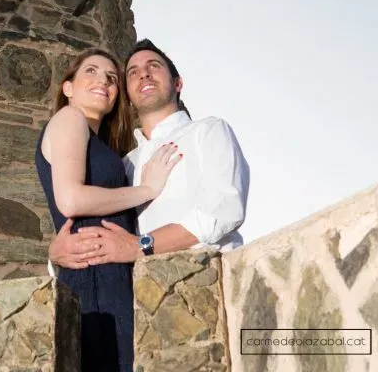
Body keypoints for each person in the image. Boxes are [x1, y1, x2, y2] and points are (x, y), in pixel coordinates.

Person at [35, 47, 182, 372]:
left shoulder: (101, 146)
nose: (103, 80)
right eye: (90, 71)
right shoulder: (69, 117)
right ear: (68, 87)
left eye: (111, 78)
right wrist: (145, 190)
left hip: (107, 275)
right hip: (96, 280)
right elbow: (70, 200)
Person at [49, 38, 249, 271]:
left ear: (177, 83)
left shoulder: (208, 131)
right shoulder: (124, 164)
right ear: (127, 97)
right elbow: (97, 229)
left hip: (208, 279)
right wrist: (55, 257)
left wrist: (141, 245)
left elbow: (225, 208)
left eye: (154, 66)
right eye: (133, 72)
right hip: (139, 297)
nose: (144, 74)